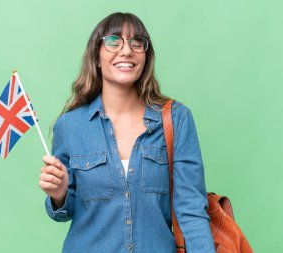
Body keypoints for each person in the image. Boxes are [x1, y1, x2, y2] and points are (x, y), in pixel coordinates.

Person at [39, 12, 215, 253]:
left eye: (136, 42)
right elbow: (63, 212)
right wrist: (59, 195)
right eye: (114, 41)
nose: (126, 51)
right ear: (97, 56)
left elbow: (192, 210)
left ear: (146, 56)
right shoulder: (69, 126)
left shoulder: (176, 119)